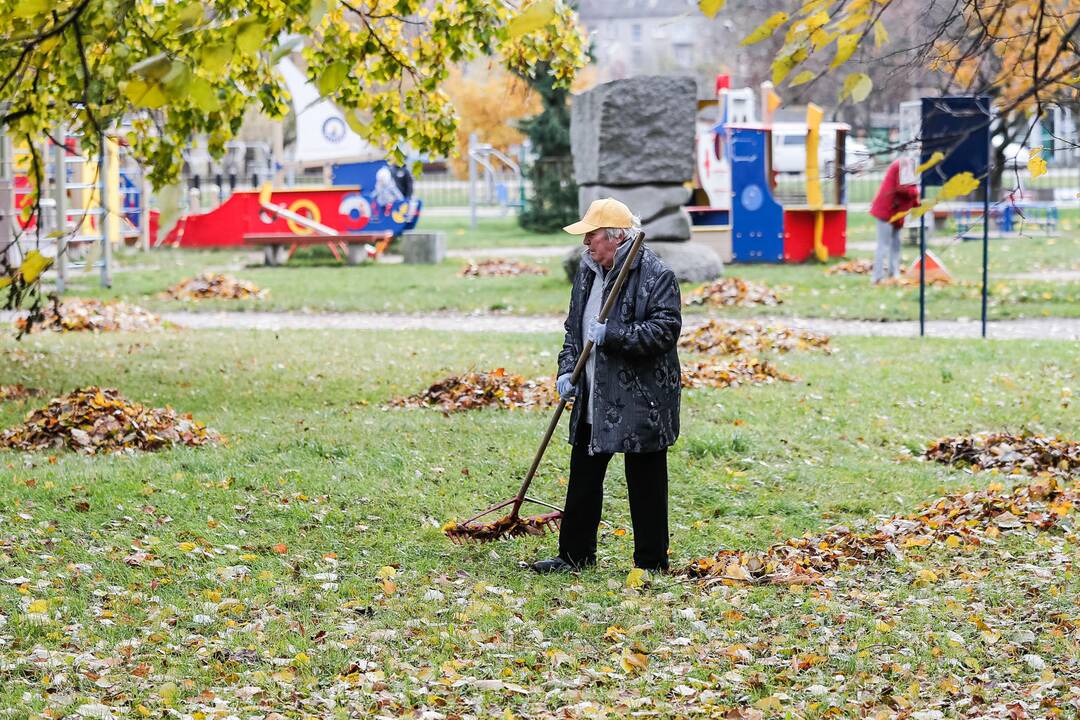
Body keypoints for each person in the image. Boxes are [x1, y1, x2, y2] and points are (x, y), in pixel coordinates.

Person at [530, 198, 682, 575]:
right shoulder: (588, 273)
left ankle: (651, 562)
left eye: (592, 236)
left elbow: (665, 332)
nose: (586, 245)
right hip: (593, 393)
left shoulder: (654, 274)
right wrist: (567, 372)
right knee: (583, 475)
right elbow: (573, 330)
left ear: (616, 237)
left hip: (641, 399)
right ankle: (574, 555)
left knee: (645, 481)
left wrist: (612, 334)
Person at [869, 158, 920, 283]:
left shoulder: (908, 163)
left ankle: (893, 273)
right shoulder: (906, 163)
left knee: (895, 244)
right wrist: (918, 193)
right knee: (884, 245)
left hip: (895, 210)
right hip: (887, 209)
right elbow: (903, 188)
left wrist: (917, 202)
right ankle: (877, 277)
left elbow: (908, 188)